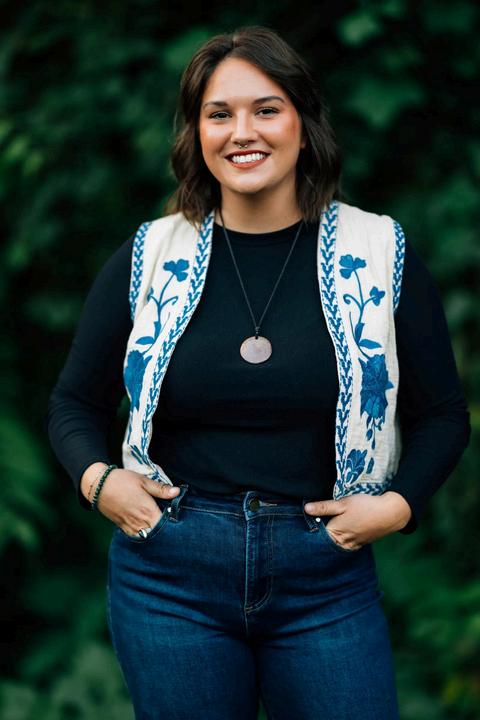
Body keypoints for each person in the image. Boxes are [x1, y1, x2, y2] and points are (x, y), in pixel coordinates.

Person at [46, 25, 471, 720]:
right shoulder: (150, 254)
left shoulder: (379, 249)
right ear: (198, 135)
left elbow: (442, 415)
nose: (242, 132)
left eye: (266, 109)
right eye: (219, 114)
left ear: (304, 124)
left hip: (325, 574)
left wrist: (397, 507)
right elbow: (73, 402)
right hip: (170, 575)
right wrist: (101, 483)